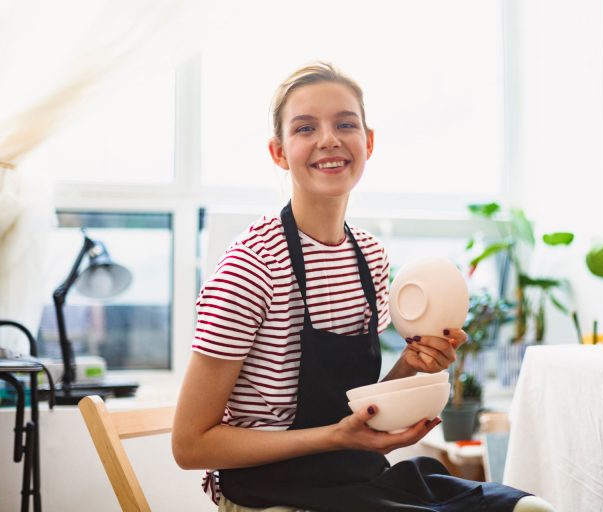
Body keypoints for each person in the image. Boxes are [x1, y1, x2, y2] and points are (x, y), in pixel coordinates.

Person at [172, 62, 555, 512]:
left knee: (530, 509)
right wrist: (336, 438)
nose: (329, 139)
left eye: (345, 124)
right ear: (279, 152)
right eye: (305, 128)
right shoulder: (251, 267)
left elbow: (356, 409)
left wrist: (412, 365)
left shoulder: (369, 257)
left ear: (368, 142)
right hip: (268, 494)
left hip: (356, 480)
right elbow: (190, 446)